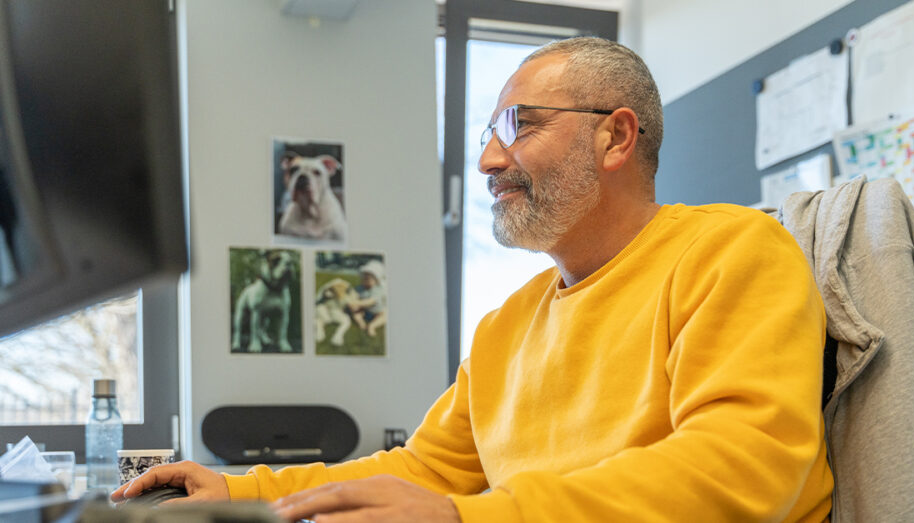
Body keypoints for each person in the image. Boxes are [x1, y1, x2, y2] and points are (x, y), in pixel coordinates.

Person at [113, 37, 833, 522]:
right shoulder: (506, 326)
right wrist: (235, 490)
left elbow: (745, 468)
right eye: (484, 135)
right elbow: (426, 468)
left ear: (615, 136)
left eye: (518, 125)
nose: (488, 160)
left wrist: (467, 515)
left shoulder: (733, 250)